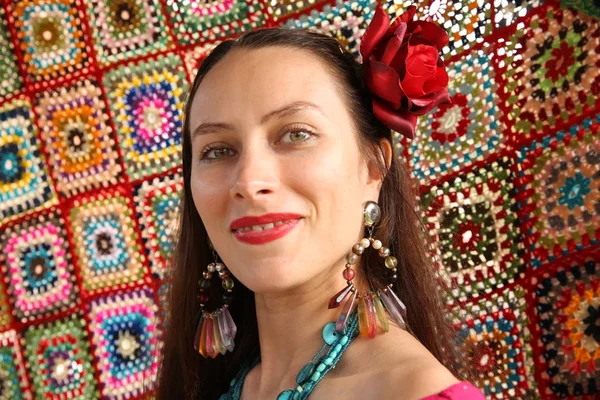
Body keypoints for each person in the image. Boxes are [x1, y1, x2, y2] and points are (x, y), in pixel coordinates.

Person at [157, 5, 486, 400]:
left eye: (296, 135)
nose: (248, 181)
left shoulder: (411, 391)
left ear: (373, 168)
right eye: (217, 150)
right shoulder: (218, 383)